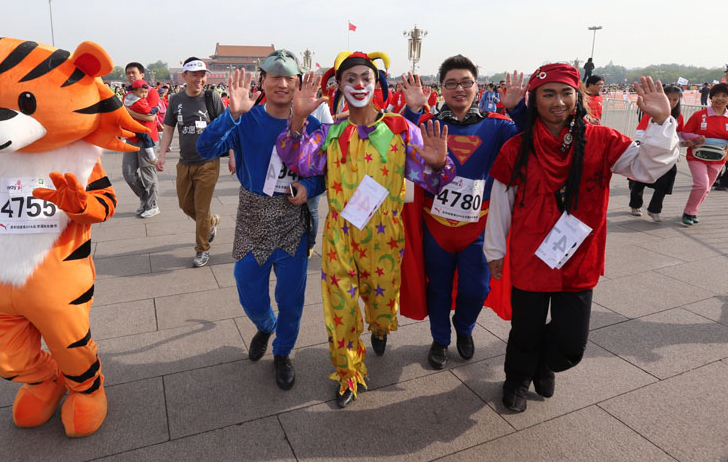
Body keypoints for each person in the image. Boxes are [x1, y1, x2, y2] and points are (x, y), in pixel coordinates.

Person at [484, 64, 678, 413]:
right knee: (524, 331)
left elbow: (647, 168)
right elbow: (501, 203)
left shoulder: (602, 140)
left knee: (571, 344)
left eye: (566, 93)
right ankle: (516, 378)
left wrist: (662, 122)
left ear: (578, 97)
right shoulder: (516, 147)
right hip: (530, 255)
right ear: (534, 100)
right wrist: (495, 251)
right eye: (548, 94)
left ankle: (546, 364)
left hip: (578, 256)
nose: (558, 102)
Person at [276, 50, 456, 407]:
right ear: (340, 86)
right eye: (350, 79)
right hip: (339, 237)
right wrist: (297, 119)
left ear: (377, 85)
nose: (358, 84)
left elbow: (432, 181)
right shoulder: (330, 132)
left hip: (385, 236)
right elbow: (298, 161)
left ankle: (379, 325)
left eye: (366, 78)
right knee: (340, 309)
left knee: (381, 300)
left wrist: (440, 164)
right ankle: (348, 374)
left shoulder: (401, 129)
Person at [196, 50, 326, 391]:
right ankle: (266, 326)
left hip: (292, 221)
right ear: (262, 81)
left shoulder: (312, 125)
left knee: (291, 297)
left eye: (289, 79)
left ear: (298, 83)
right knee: (248, 288)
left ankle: (283, 352)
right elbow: (204, 150)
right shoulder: (247, 119)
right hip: (253, 215)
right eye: (274, 77)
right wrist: (230, 116)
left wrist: (309, 186)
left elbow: (324, 175)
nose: (282, 84)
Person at [401, 55, 518, 369]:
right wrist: (411, 111)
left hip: (478, 228)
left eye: (466, 82)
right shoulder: (428, 124)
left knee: (477, 287)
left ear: (476, 87)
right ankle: (440, 339)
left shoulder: (498, 126)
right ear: (440, 89)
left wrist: (518, 109)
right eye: (451, 83)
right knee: (437, 287)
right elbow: (398, 144)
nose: (459, 89)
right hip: (435, 226)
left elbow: (527, 145)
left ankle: (464, 328)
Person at [156, 57, 232, 267]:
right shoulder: (176, 100)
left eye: (202, 75)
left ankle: (202, 249)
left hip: (208, 162)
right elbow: (169, 128)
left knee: (200, 208)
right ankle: (211, 223)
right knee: (184, 204)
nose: (199, 79)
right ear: (185, 76)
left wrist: (232, 154)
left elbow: (227, 126)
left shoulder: (212, 97)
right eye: (195, 75)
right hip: (185, 161)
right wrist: (161, 154)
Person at [629, 84, 685, 221]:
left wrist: (687, 141)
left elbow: (680, 135)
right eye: (668, 99)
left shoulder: (678, 116)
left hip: (668, 156)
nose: (671, 103)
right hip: (648, 153)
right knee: (639, 180)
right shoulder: (651, 113)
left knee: (665, 182)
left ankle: (654, 209)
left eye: (675, 100)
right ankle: (635, 204)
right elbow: (640, 133)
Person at [679, 83, 728, 225]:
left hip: (718, 158)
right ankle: (688, 212)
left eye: (724, 96)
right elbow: (684, 133)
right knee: (701, 185)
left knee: (706, 188)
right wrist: (696, 138)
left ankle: (693, 211)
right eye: (716, 96)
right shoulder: (699, 115)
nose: (720, 99)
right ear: (710, 98)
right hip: (697, 155)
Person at [122, 62, 161, 218]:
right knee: (128, 173)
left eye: (133, 73)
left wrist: (127, 111)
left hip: (147, 139)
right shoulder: (128, 94)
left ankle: (153, 205)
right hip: (131, 138)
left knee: (148, 174)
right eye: (128, 73)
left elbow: (151, 116)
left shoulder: (150, 93)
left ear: (142, 75)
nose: (131, 76)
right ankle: (145, 199)